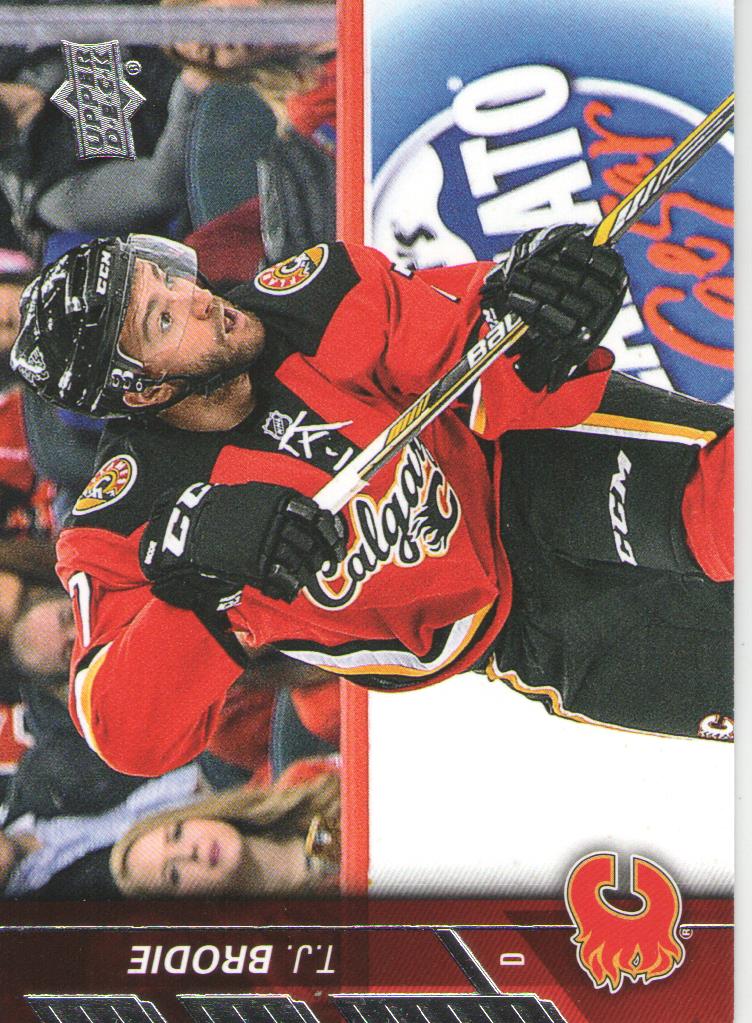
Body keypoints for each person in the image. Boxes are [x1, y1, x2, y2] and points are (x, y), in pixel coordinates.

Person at [9, 228, 733, 776]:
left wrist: (537, 315)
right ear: (142, 392)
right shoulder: (122, 523)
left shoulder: (310, 296)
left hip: (531, 465)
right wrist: (196, 584)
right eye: (162, 321)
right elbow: (122, 733)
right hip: (523, 637)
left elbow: (466, 350)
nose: (195, 298)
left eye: (167, 278)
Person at [110, 760, 339, 895]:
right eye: (174, 874)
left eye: (177, 834)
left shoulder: (304, 781)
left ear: (193, 815)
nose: (189, 852)